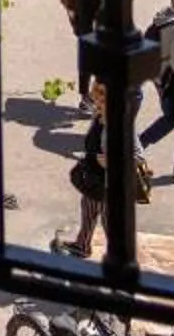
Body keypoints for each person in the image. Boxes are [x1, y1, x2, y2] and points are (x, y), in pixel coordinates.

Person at [62, 83, 152, 258]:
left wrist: (113, 162)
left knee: (108, 219)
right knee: (88, 209)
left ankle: (120, 256)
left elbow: (138, 156)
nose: (96, 105)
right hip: (94, 177)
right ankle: (82, 245)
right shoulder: (99, 117)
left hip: (110, 182)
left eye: (100, 102)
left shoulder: (122, 126)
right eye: (95, 101)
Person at [141, 0, 174, 178]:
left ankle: (138, 144)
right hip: (173, 83)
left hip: (157, 77)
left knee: (172, 118)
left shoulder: (163, 16)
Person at [59, 0, 104, 103]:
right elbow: (103, 11)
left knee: (86, 63)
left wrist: (73, 15)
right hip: (93, 31)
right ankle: (90, 98)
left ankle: (86, 96)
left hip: (80, 26)